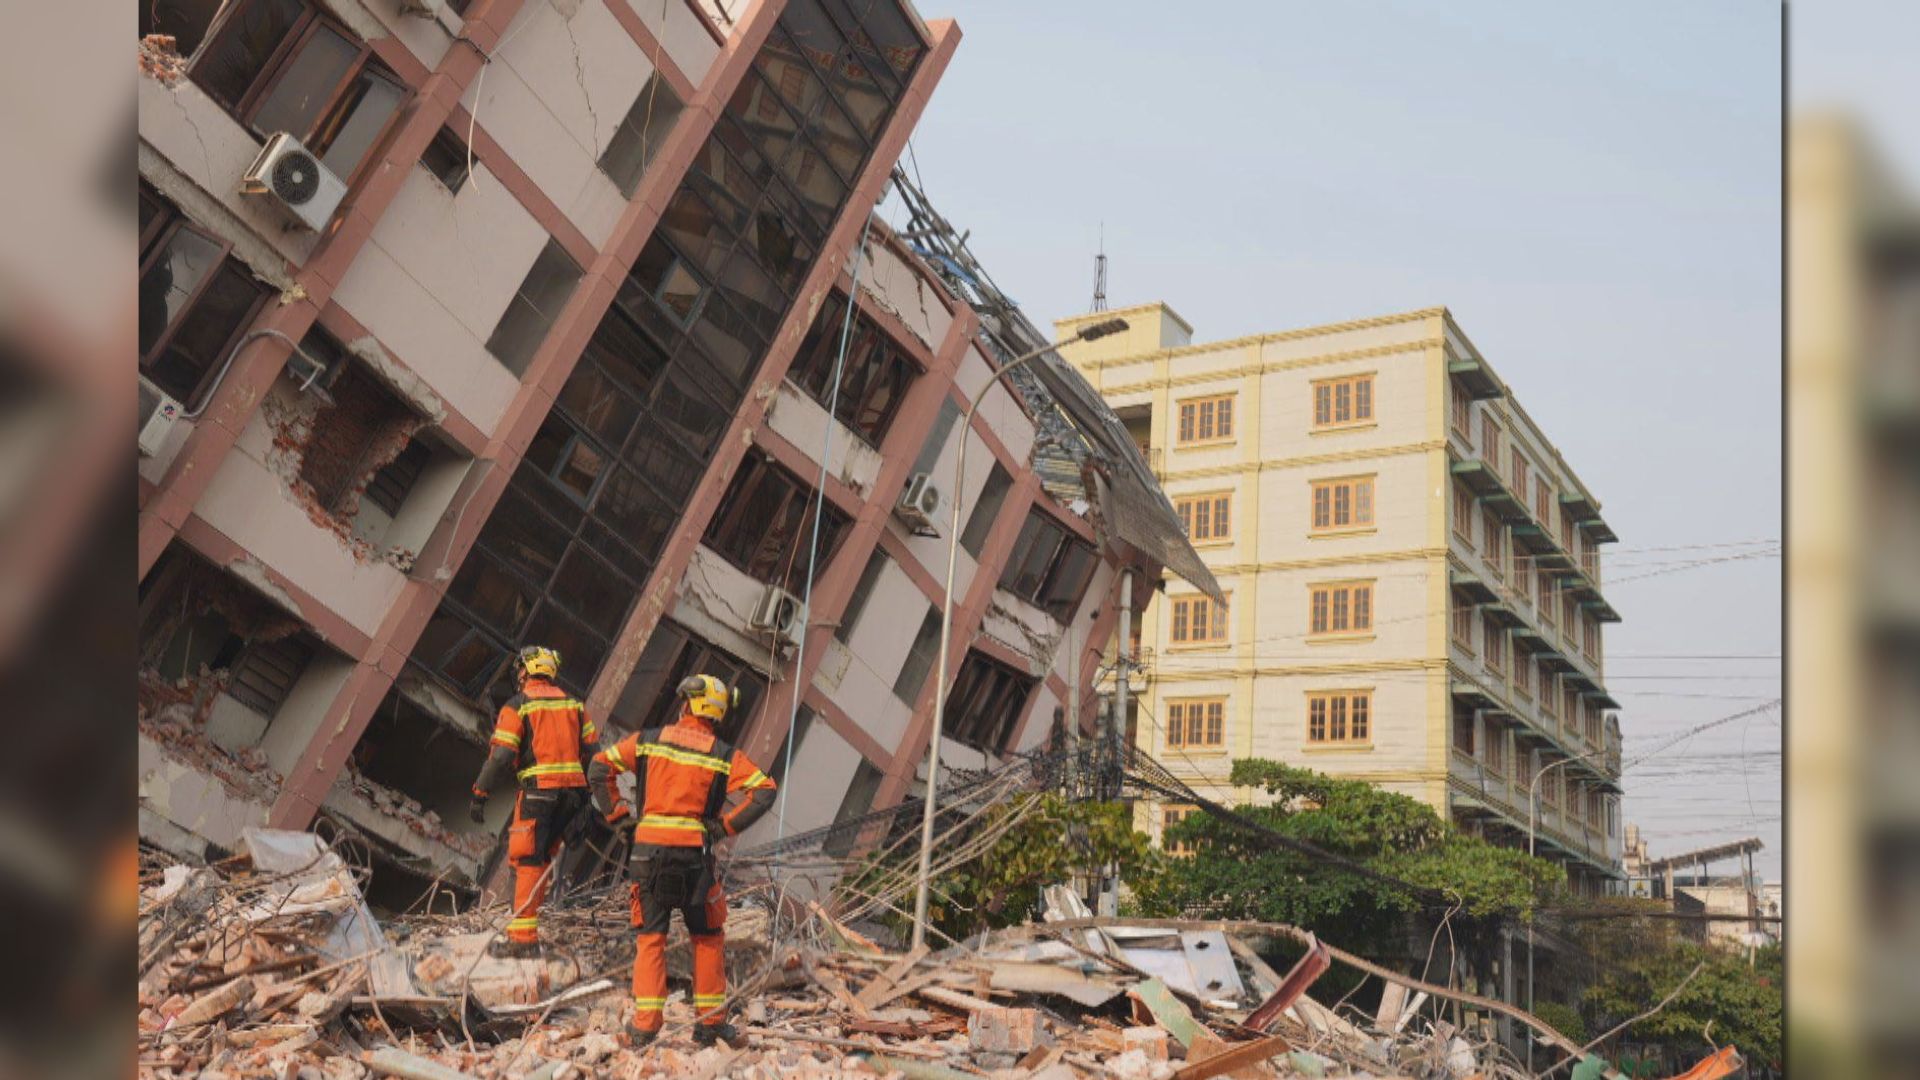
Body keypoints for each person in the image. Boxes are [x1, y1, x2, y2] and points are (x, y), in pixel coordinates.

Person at [588, 675, 777, 1047]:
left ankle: (645, 1025)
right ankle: (709, 1024)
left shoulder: (648, 740)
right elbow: (765, 792)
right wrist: (723, 827)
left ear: (688, 705)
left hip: (648, 853)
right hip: (695, 858)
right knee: (707, 936)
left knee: (651, 937)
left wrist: (620, 819)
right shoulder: (724, 755)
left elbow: (598, 769)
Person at [469, 645, 597, 958]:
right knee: (539, 863)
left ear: (526, 670)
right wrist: (588, 799)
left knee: (524, 861)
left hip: (538, 793)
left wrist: (479, 793)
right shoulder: (575, 706)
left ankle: (522, 941)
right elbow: (594, 756)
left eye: (519, 670)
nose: (518, 676)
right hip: (572, 798)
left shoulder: (519, 705)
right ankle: (526, 929)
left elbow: (501, 756)